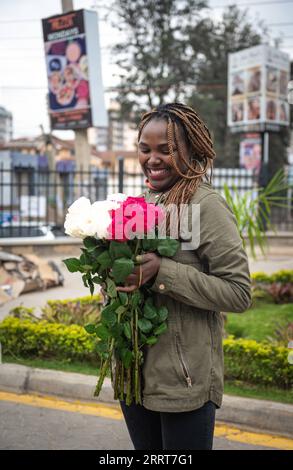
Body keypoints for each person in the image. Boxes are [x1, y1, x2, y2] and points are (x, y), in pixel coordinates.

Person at [106, 102, 252, 450]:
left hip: (184, 383)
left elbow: (238, 292)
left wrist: (162, 271)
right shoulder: (141, 203)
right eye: (145, 149)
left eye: (165, 150)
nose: (152, 159)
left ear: (191, 150)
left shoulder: (206, 205)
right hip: (134, 375)